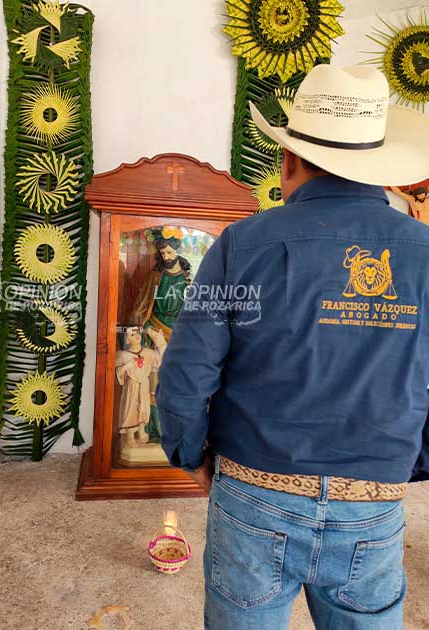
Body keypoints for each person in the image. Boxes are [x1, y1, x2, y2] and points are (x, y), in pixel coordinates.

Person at [157, 64, 429, 629]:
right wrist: (407, 464)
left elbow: (186, 373)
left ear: (288, 160)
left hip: (255, 489)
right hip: (373, 503)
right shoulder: (424, 251)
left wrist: (191, 455)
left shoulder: (241, 243)